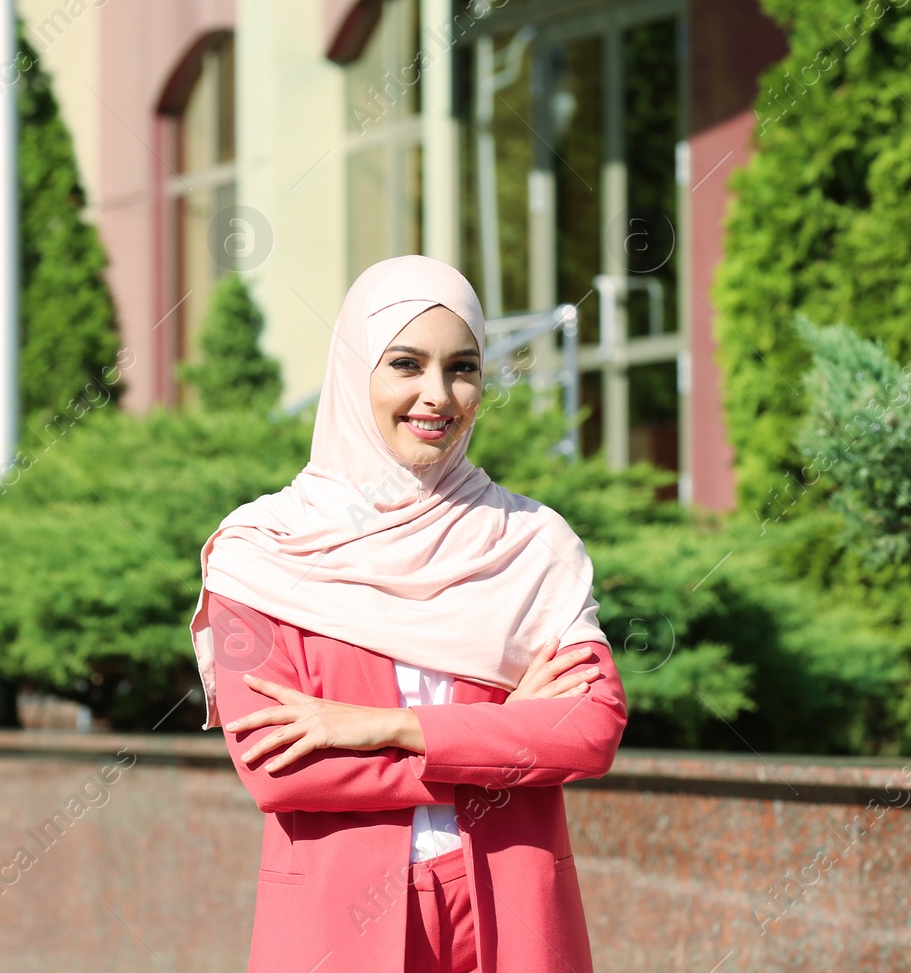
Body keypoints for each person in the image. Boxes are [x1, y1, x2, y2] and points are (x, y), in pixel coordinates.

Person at [188, 255, 628, 973]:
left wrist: (390, 727)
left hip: (509, 915)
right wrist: (502, 743)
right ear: (354, 373)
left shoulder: (531, 542)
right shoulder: (262, 551)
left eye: (462, 367)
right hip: (341, 925)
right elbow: (279, 769)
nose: (438, 394)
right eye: (405, 364)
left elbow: (590, 729)